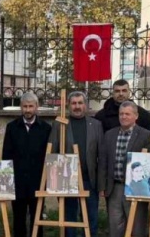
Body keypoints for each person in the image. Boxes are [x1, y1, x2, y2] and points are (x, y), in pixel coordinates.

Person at [48, 90, 103, 237]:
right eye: (74, 103)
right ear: (68, 105)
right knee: (68, 217)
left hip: (89, 179)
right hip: (66, 179)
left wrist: (101, 182)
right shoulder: (60, 124)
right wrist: (53, 181)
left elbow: (101, 155)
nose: (77, 106)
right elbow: (52, 151)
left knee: (91, 217)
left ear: (85, 105)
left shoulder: (96, 125)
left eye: (80, 103)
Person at [98, 101, 150, 237]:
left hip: (136, 188)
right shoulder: (109, 134)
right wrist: (102, 185)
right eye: (121, 114)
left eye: (127, 114)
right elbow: (103, 161)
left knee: (137, 227)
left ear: (136, 116)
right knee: (115, 227)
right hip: (114, 187)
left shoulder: (146, 136)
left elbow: (149, 164)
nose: (123, 117)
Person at [2, 92, 52, 237]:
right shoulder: (12, 127)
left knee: (37, 219)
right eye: (25, 106)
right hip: (17, 182)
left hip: (38, 181)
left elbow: (48, 156)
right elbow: (7, 154)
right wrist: (7, 180)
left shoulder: (45, 128)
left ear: (37, 107)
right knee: (18, 219)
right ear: (21, 107)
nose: (28, 110)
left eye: (31, 106)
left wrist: (46, 181)